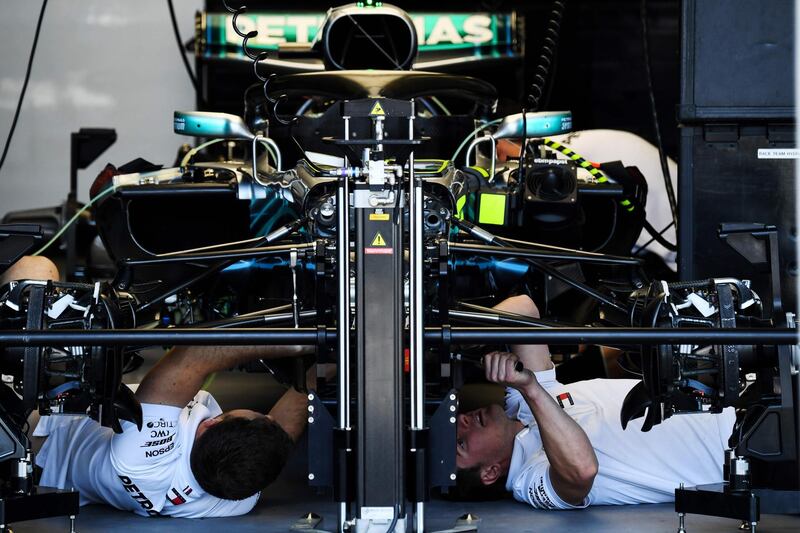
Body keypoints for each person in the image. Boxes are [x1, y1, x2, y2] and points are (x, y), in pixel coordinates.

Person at [5, 256, 312, 518]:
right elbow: (283, 429)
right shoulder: (236, 494)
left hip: (38, 434)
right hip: (70, 423)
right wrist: (326, 367)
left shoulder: (147, 455)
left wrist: (290, 342)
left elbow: (193, 356)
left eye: (258, 414)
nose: (268, 416)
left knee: (35, 269)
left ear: (210, 425)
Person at [455, 294, 735, 509]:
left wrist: (455, 341)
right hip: (739, 451)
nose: (463, 422)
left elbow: (523, 308)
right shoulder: (527, 481)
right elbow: (581, 471)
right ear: (490, 473)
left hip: (734, 394)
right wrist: (531, 387)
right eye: (461, 443)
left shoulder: (520, 408)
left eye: (455, 420)